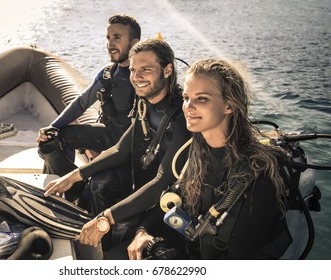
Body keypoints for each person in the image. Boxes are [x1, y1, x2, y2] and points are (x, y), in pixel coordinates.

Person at [125, 58, 292, 260]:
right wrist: (143, 232)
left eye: (201, 99)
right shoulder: (194, 155)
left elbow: (240, 257)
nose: (188, 107)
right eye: (186, 98)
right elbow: (173, 203)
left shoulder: (257, 175)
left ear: (229, 105)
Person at [44, 39, 191, 253]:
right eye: (133, 70)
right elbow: (121, 150)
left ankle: (108, 246)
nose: (136, 77)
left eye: (146, 69)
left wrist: (107, 217)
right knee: (99, 182)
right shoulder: (145, 103)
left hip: (167, 200)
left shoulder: (181, 118)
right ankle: (93, 242)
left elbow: (163, 181)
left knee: (121, 229)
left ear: (167, 70)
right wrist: (75, 176)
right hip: (141, 179)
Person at [36, 14, 141, 177]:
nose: (110, 44)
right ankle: (65, 188)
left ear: (134, 43)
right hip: (110, 135)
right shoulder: (109, 73)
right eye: (108, 37)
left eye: (117, 37)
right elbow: (81, 103)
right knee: (55, 138)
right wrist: (53, 127)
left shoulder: (144, 77)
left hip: (133, 145)